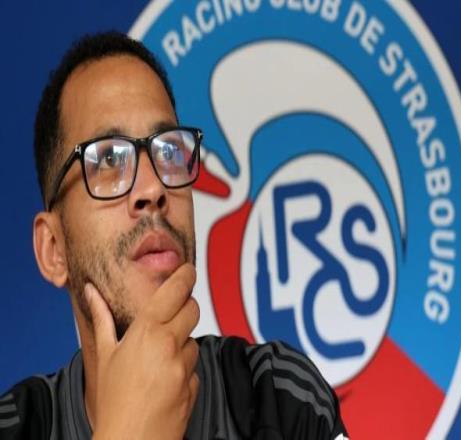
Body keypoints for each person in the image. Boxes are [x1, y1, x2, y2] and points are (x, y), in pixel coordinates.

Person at [0, 31, 348, 440]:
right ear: (53, 249)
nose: (153, 188)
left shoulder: (282, 395)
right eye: (108, 159)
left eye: (168, 152)